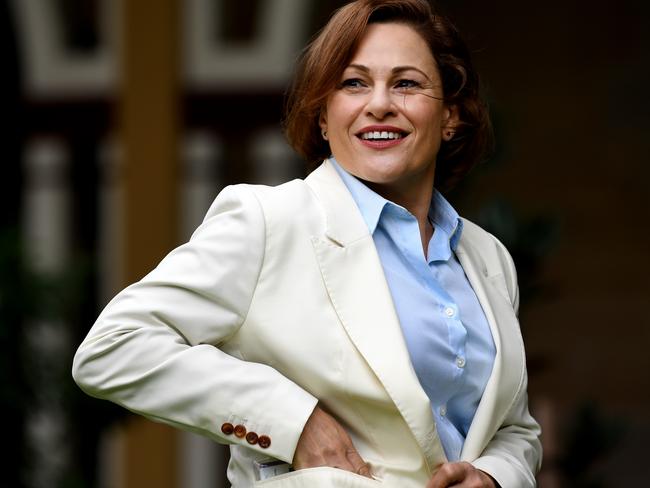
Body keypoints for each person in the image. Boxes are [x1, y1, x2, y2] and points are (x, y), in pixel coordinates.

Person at [72, 0, 542, 486]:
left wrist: (492, 475)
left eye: (406, 83)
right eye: (353, 83)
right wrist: (294, 423)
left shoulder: (488, 258)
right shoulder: (270, 221)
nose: (379, 103)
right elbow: (114, 347)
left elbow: (512, 428)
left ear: (452, 115)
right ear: (323, 116)